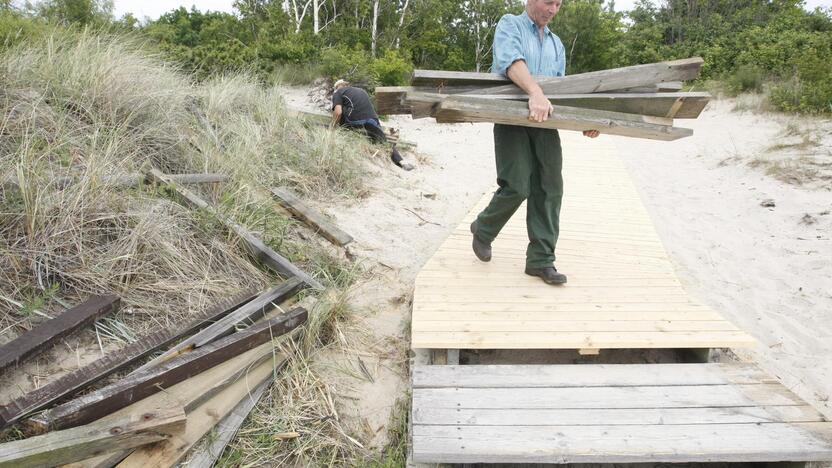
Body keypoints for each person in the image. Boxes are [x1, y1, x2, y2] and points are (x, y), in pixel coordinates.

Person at [470, 0, 600, 285]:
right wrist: (535, 92)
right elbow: (511, 63)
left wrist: (586, 123)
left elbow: (562, 93)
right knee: (517, 185)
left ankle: (541, 261)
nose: (552, 9)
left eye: (558, 4)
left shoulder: (558, 45)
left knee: (550, 188)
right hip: (511, 119)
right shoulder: (510, 24)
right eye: (547, 1)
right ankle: (484, 227)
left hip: (545, 124)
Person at [330, 79, 413, 171]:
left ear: (337, 87)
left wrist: (332, 128)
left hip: (354, 120)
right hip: (372, 119)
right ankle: (402, 162)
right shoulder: (361, 91)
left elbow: (338, 112)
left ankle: (343, 136)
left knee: (338, 111)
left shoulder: (338, 93)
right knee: (383, 140)